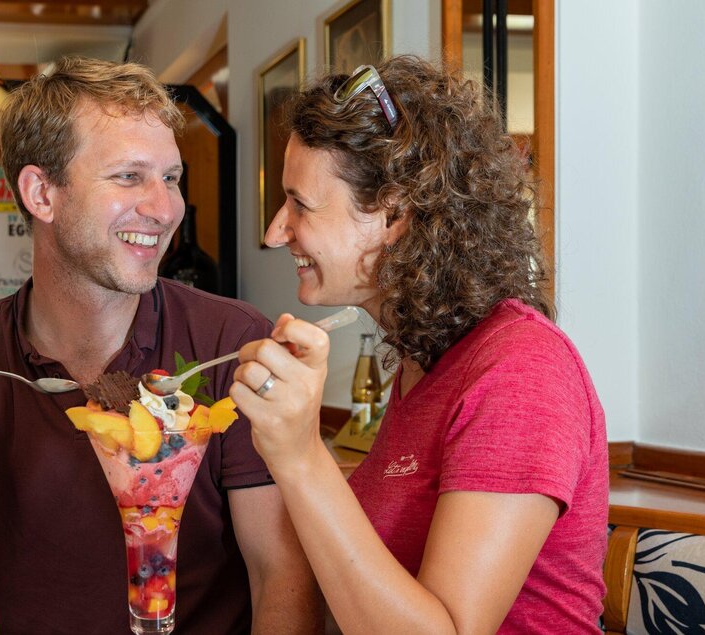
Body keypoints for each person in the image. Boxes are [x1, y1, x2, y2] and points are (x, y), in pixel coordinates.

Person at [0, 56, 320, 634]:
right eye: (129, 176)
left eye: (171, 178)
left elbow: (281, 575)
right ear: (41, 193)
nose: (167, 208)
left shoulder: (231, 342)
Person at [231, 55, 608, 634]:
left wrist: (301, 455)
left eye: (300, 204)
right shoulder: (423, 362)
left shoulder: (521, 370)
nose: (276, 230)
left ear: (395, 213)